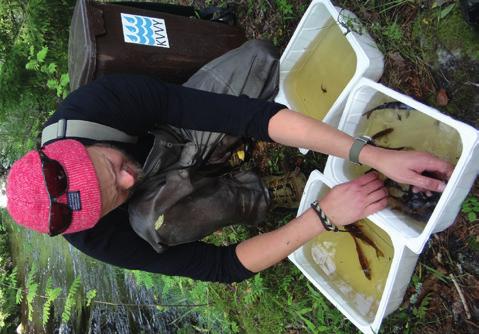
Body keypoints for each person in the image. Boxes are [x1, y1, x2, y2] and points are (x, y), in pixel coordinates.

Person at [5, 41, 454, 284]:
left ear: (79, 147)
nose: (126, 176)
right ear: (90, 223)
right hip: (159, 200)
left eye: (111, 165)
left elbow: (248, 116)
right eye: (112, 195)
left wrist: (369, 153)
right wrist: (321, 216)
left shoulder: (98, 105)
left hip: (173, 133)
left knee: (258, 61)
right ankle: (260, 192)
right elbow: (219, 268)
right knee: (151, 218)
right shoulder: (98, 240)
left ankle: (217, 156)